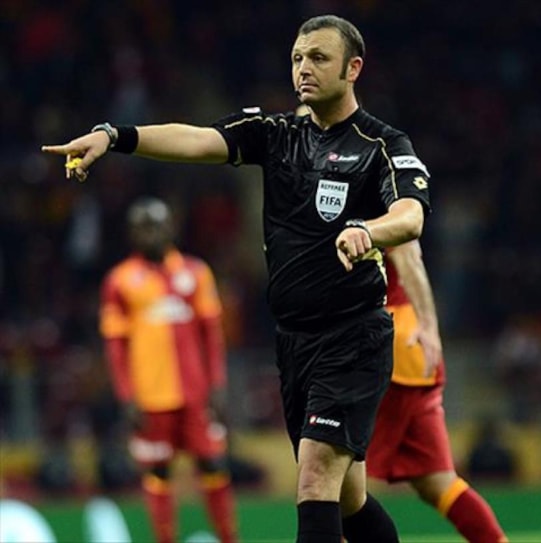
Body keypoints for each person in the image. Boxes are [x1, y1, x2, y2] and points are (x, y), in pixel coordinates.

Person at [43, 15, 430, 543]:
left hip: (353, 335)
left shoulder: (381, 144)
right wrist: (115, 136)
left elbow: (411, 213)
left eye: (318, 58)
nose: (304, 69)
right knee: (348, 499)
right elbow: (197, 139)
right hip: (294, 343)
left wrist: (369, 229)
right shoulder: (277, 135)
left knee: (314, 478)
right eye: (297, 58)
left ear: (353, 68)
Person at [99, 198, 237, 543]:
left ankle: (228, 538)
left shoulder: (195, 272)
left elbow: (211, 334)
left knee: (213, 465)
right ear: (132, 233)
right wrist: (126, 396)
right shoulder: (120, 281)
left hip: (196, 393)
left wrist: (218, 383)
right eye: (143, 227)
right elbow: (115, 346)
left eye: (157, 225)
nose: (151, 233)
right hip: (151, 397)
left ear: (171, 227)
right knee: (158, 472)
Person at [366, 240, 508, 543]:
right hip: (412, 353)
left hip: (385, 347)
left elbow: (406, 255)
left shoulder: (372, 211)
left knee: (338, 480)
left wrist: (428, 325)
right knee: (438, 482)